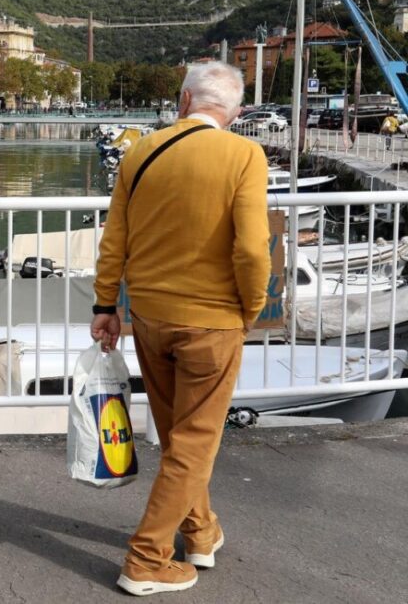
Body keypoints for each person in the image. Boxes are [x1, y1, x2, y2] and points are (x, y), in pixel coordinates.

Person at [91, 61, 270, 597]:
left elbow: (114, 238)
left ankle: (200, 533)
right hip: (212, 320)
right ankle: (146, 558)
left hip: (149, 316)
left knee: (177, 436)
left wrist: (106, 304)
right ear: (233, 112)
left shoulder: (141, 152)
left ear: (185, 101)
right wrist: (251, 308)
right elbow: (251, 249)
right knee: (195, 442)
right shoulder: (244, 154)